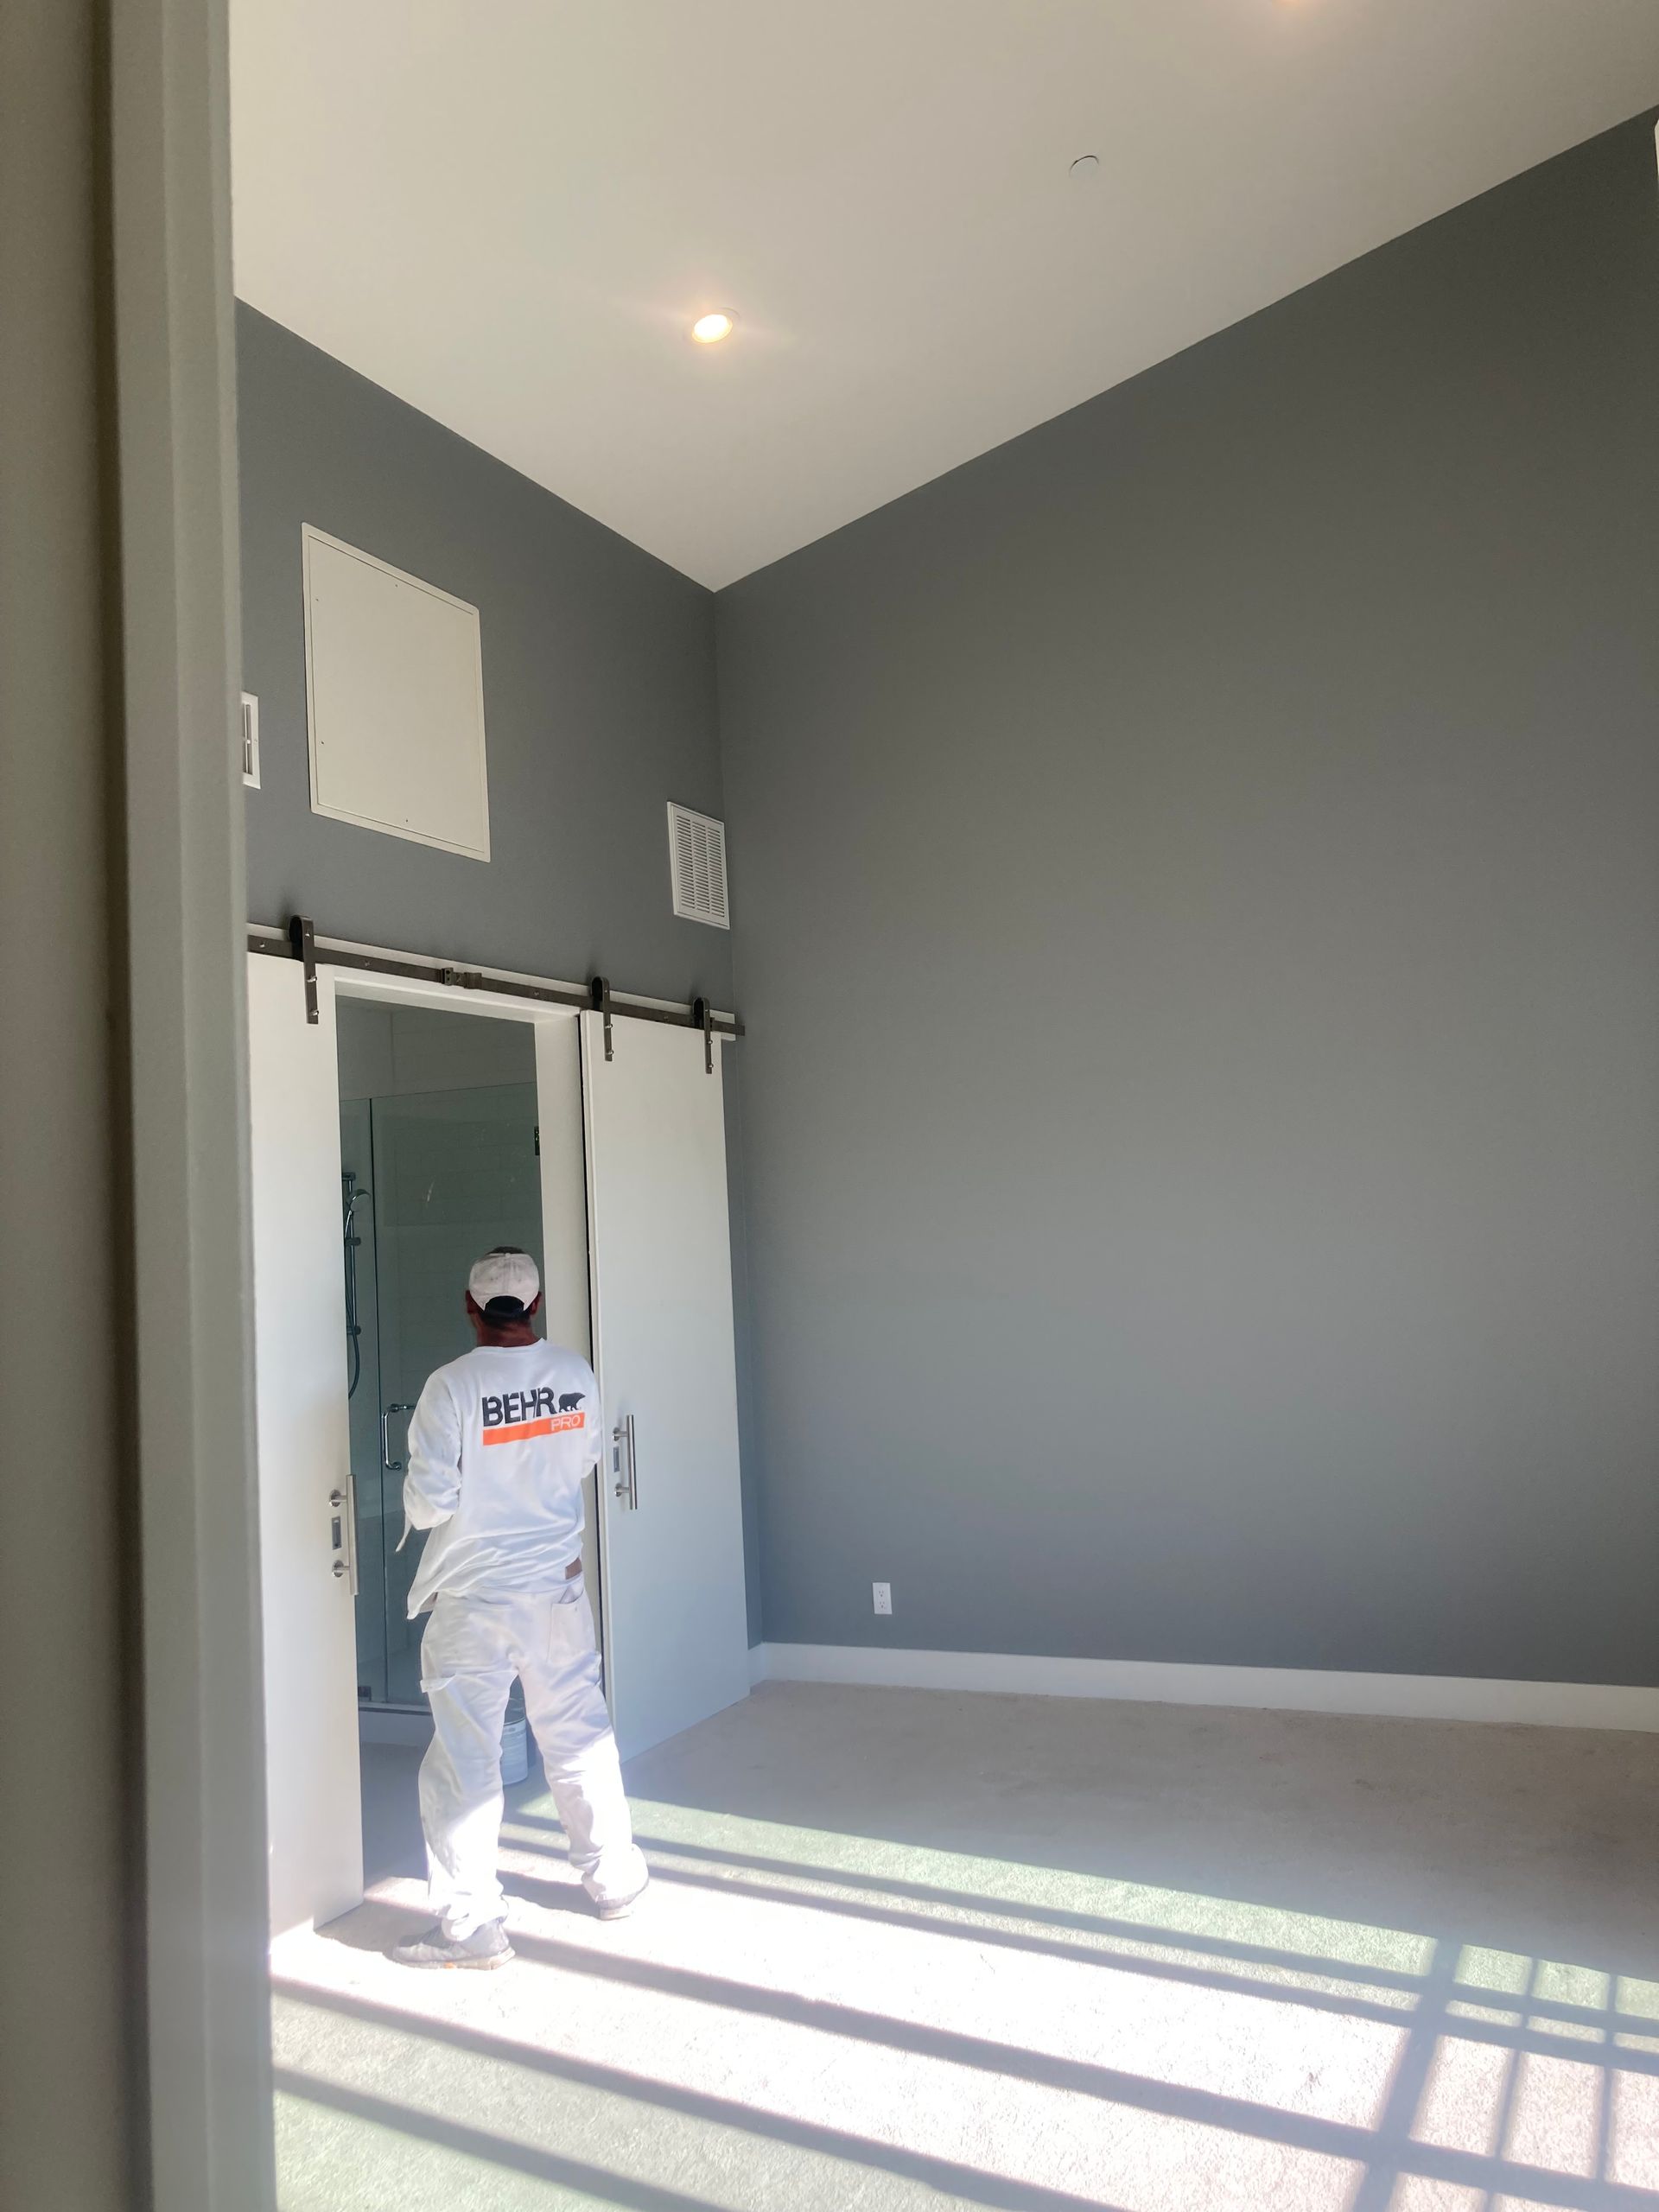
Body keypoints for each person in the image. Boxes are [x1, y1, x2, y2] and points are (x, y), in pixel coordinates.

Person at [389, 1245, 648, 1969]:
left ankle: (472, 1929)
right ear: (535, 1306)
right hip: (558, 1592)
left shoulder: (451, 1387)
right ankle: (615, 1881)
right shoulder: (574, 1375)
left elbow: (433, 1499)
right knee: (579, 1736)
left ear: (471, 1308)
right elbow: (585, 1457)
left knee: (466, 1761)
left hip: (475, 1599)